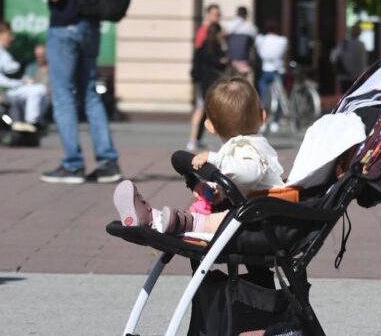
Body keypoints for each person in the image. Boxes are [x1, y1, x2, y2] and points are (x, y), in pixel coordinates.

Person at [25, 0, 121, 184]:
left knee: (64, 95)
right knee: (90, 93)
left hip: (64, 27)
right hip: (90, 26)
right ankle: (108, 164)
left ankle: (73, 164)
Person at [113, 77, 285, 235]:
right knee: (212, 219)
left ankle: (157, 221)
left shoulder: (248, 147)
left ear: (209, 127)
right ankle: (159, 219)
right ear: (263, 117)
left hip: (259, 222)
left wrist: (214, 158)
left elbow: (249, 174)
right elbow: (244, 181)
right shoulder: (245, 147)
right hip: (255, 215)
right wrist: (217, 190)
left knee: (205, 222)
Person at [0, 22, 48, 131]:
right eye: (9, 35)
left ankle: (31, 122)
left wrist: (24, 81)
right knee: (38, 90)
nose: (11, 38)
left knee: (41, 89)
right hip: (5, 91)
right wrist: (21, 83)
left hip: (12, 89)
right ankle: (32, 123)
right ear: (1, 35)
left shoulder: (2, 52)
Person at [188, 4, 221, 150]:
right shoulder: (204, 31)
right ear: (208, 15)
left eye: (218, 15)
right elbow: (199, 56)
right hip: (204, 76)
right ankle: (192, 139)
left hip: (211, 76)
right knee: (201, 108)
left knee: (208, 108)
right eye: (214, 14)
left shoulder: (217, 30)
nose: (217, 17)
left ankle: (198, 138)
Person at [255, 20, 289, 133]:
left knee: (264, 97)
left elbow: (259, 52)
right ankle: (275, 121)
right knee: (278, 95)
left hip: (266, 70)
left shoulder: (261, 39)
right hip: (279, 70)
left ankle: (263, 120)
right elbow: (284, 53)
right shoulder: (283, 40)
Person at [223, 6, 259, 81]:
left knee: (230, 83)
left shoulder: (228, 25)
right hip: (244, 61)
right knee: (241, 85)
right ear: (246, 15)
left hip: (230, 60)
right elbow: (254, 44)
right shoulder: (251, 27)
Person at [330, 23, 368, 92]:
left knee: (346, 97)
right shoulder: (362, 45)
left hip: (345, 76)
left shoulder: (344, 43)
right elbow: (363, 62)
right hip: (357, 77)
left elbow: (333, 57)